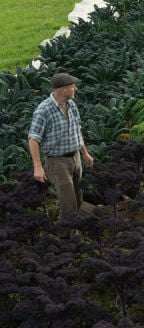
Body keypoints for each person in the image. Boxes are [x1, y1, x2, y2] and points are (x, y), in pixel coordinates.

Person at [28, 72, 94, 221]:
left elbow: (76, 130)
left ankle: (77, 228)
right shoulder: (43, 110)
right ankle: (65, 237)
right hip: (57, 162)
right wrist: (38, 167)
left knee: (78, 197)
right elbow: (33, 139)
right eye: (72, 86)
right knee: (68, 203)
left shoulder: (71, 104)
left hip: (76, 157)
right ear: (62, 89)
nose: (75, 89)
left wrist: (85, 154)